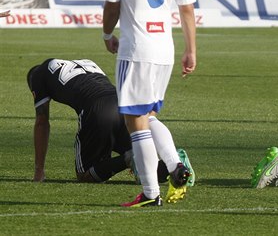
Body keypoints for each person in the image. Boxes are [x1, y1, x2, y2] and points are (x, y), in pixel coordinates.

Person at [102, 0, 197, 208]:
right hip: (165, 50)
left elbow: (112, 5)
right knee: (148, 114)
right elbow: (186, 8)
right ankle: (174, 165)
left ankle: (151, 192)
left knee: (134, 120)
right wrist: (190, 50)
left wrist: (106, 33)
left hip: (137, 48)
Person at [27, 58, 193, 184]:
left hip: (97, 109)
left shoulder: (39, 74)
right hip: (123, 104)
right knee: (145, 166)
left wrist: (39, 170)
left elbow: (42, 122)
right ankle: (174, 165)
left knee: (85, 175)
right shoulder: (86, 62)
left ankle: (128, 158)